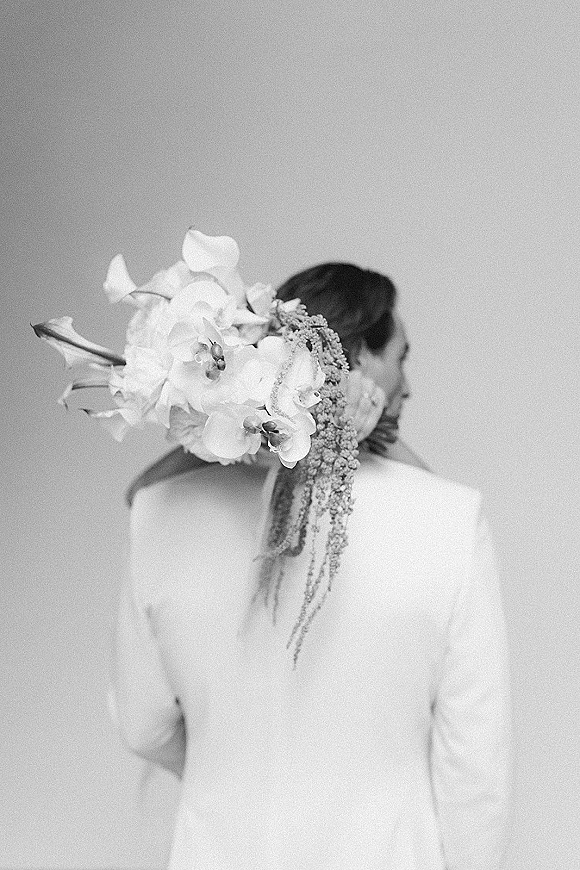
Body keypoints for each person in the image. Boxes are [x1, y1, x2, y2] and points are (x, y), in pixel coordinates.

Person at [108, 263, 513, 869]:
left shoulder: (160, 514)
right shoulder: (451, 522)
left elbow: (142, 725)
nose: (407, 382)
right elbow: (476, 770)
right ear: (363, 358)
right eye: (401, 356)